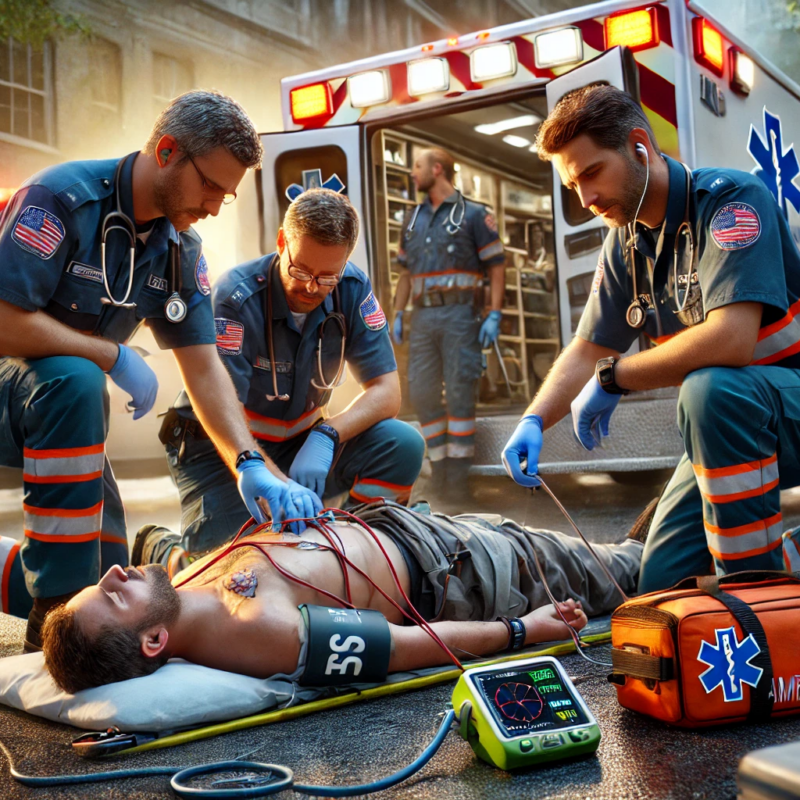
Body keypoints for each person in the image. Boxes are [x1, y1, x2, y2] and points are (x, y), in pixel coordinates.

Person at [0, 88, 300, 655]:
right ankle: (52, 617)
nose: (214, 205)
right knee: (76, 378)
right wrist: (109, 355)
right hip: (18, 390)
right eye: (210, 184)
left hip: (61, 410)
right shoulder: (59, 199)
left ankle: (51, 589)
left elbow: (203, 364)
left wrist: (248, 462)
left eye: (226, 195)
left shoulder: (179, 247)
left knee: (106, 573)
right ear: (167, 150)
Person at [502, 84, 800, 594]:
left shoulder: (729, 202)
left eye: (592, 173)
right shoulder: (627, 240)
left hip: (779, 407)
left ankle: (757, 601)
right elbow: (590, 346)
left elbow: (731, 341)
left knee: (710, 390)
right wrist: (533, 419)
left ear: (640, 146)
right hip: (734, 426)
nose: (586, 199)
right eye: (573, 185)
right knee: (660, 586)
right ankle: (782, 555)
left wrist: (616, 379)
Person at [39, 501, 644, 693]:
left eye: (104, 581)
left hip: (415, 526)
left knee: (606, 551)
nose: (116, 572)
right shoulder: (259, 633)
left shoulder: (176, 588)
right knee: (626, 571)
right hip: (470, 574)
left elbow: (159, 549)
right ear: (153, 641)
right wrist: (524, 632)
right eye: (114, 595)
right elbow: (407, 647)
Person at [151, 188, 424, 560]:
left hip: (299, 443)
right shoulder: (236, 296)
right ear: (282, 242)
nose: (312, 288)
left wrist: (328, 435)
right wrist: (274, 481)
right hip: (224, 447)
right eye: (301, 271)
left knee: (402, 443)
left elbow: (387, 392)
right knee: (233, 569)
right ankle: (159, 548)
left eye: (327, 277)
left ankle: (361, 551)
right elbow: (222, 407)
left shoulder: (352, 288)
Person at [392, 148, 505, 503]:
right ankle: (439, 467)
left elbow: (497, 267)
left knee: (459, 393)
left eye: (418, 167)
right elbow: (406, 275)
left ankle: (457, 480)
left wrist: (494, 313)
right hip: (423, 317)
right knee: (422, 392)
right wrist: (396, 313)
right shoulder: (411, 219)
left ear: (437, 169)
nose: (413, 173)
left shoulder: (474, 214)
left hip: (459, 315)